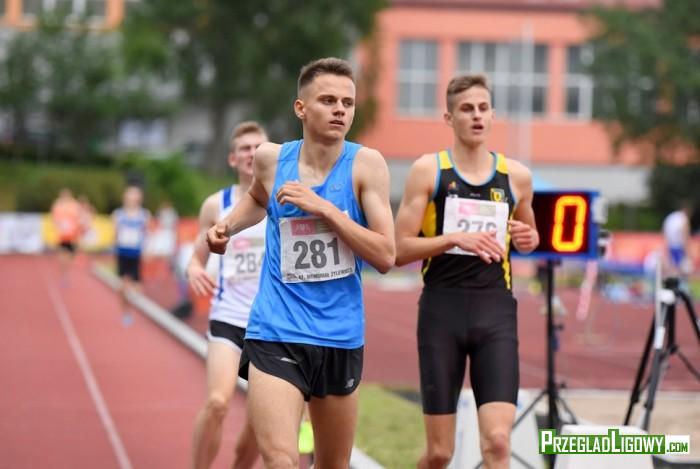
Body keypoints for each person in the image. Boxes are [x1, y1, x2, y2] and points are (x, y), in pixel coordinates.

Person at [207, 57, 395, 468]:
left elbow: (385, 254)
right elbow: (257, 198)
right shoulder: (271, 160)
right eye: (328, 100)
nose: (340, 110)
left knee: (332, 464)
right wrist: (227, 227)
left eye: (347, 102)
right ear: (301, 108)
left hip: (339, 335)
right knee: (280, 459)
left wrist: (324, 209)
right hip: (276, 328)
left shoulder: (367, 166)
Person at [394, 74, 539, 469]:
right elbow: (397, 250)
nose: (476, 116)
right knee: (440, 453)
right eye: (466, 109)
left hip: (495, 311)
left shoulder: (517, 176)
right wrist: (453, 239)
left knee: (498, 442)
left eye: (482, 108)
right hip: (442, 311)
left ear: (493, 115)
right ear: (449, 118)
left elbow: (528, 237)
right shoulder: (429, 171)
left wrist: (528, 238)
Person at [187, 121, 268, 469]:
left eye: (258, 147)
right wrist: (194, 268)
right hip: (228, 318)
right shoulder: (215, 204)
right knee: (218, 403)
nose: (252, 153)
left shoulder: (282, 200)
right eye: (245, 149)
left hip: (270, 324)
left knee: (259, 424)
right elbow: (196, 256)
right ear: (233, 159)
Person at [112, 185, 151, 327]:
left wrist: (146, 250)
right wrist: (114, 249)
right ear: (125, 198)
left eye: (135, 195)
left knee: (137, 288)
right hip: (122, 253)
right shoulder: (118, 214)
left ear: (139, 198)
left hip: (136, 254)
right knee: (121, 288)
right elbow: (115, 234)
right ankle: (126, 312)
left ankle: (133, 308)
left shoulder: (144, 215)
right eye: (130, 195)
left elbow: (146, 234)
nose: (132, 198)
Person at [50, 188, 82, 283]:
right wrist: (59, 225)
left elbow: (78, 218)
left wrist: (77, 230)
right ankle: (64, 274)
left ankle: (66, 271)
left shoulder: (74, 205)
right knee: (62, 254)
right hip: (62, 235)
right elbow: (55, 219)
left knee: (71, 256)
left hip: (72, 235)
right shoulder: (57, 205)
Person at [662, 201, 694, 278]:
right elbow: (685, 234)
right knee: (682, 269)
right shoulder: (683, 218)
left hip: (670, 245)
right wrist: (688, 251)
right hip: (678, 246)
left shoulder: (671, 217)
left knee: (672, 268)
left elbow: (664, 232)